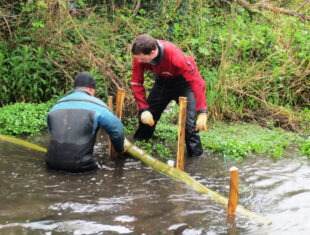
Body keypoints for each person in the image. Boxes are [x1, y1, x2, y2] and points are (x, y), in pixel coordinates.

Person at [131, 34, 208, 157]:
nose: (139, 61)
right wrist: (143, 109)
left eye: (141, 59)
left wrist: (202, 112)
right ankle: (138, 150)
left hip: (184, 85)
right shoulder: (139, 55)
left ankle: (196, 159)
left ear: (152, 53)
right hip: (162, 83)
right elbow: (136, 82)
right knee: (146, 119)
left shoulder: (175, 55)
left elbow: (196, 82)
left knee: (189, 126)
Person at [45, 72, 125, 173]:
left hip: (51, 163)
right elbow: (117, 131)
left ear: (75, 88)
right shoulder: (97, 105)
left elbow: (52, 130)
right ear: (91, 89)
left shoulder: (57, 105)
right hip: (82, 166)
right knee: (106, 169)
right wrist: (119, 150)